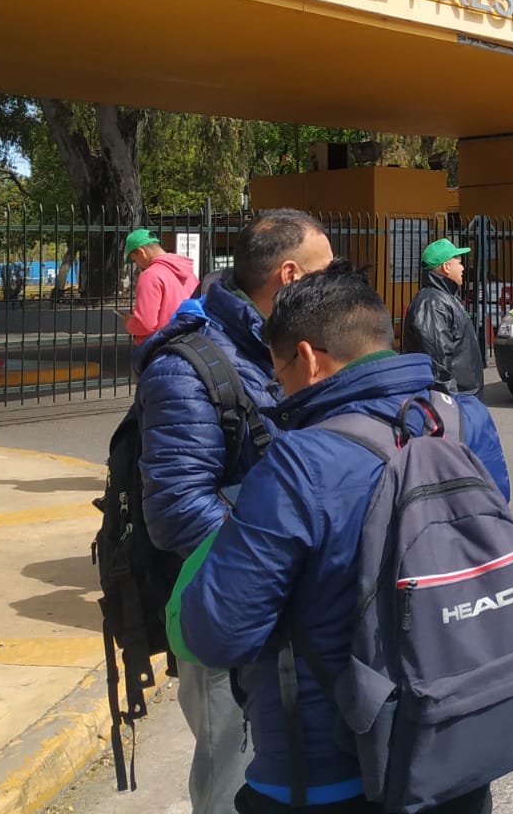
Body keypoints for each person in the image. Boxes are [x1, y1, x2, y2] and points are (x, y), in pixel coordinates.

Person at [169, 267, 510, 814]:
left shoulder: (298, 463)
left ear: (307, 358)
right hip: (454, 744)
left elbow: (217, 634)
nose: (279, 389)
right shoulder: (465, 421)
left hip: (327, 775)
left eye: (278, 372)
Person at [138, 209, 333, 814]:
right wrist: (269, 569)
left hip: (295, 608)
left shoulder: (287, 348)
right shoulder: (187, 366)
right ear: (291, 274)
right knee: (235, 777)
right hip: (235, 612)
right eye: (326, 272)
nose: (335, 286)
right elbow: (177, 506)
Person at [401, 237, 483, 395]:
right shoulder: (432, 303)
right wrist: (452, 404)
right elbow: (438, 365)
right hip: (453, 403)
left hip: (463, 400)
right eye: (459, 262)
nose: (463, 268)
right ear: (446, 267)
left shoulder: (445, 298)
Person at [124, 228, 198, 345]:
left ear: (141, 251)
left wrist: (129, 322)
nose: (137, 265)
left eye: (135, 260)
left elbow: (145, 324)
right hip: (189, 344)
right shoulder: (189, 272)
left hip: (163, 346)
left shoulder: (150, 275)